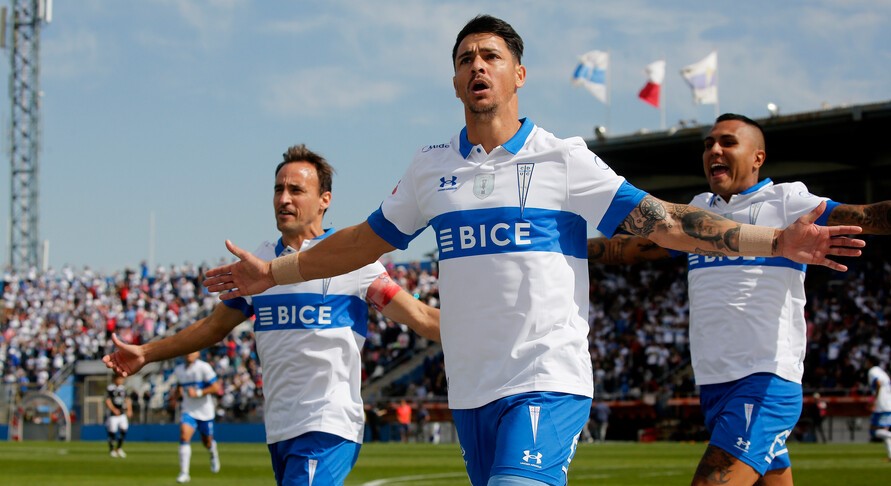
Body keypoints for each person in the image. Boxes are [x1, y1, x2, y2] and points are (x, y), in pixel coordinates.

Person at [201, 17, 864, 486]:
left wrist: (773, 239)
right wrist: (277, 271)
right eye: (464, 59)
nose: (476, 66)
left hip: (546, 380)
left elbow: (663, 222)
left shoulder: (563, 159)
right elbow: (363, 240)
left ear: (517, 73)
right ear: (455, 82)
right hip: (472, 389)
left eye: (489, 56)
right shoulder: (430, 169)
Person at [103, 144, 440, 485]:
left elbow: (420, 317)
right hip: (280, 427)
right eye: (279, 189)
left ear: (325, 199)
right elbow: (213, 327)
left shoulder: (352, 261)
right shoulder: (261, 264)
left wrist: (488, 335)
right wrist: (146, 353)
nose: (284, 199)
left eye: (296, 190)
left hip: (327, 424)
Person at [587, 113, 891, 485]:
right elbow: (632, 249)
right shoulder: (698, 211)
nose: (714, 149)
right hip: (715, 381)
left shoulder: (787, 201)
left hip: (764, 379)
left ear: (757, 158)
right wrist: (563, 246)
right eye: (708, 144)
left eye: (728, 142)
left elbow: (869, 216)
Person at [170, 350, 222, 483]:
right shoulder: (179, 370)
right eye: (187, 351)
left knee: (207, 441)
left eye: (192, 351)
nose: (189, 353)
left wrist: (198, 392)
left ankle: (212, 452)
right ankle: (184, 473)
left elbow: (216, 387)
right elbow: (179, 387)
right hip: (188, 410)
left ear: (198, 353)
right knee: (184, 436)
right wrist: (176, 396)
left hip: (205, 411)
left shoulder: (204, 367)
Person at [865, 355, 891, 462]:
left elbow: (878, 383)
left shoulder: (873, 371)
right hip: (888, 403)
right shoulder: (883, 372)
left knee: (874, 430)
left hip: (882, 405)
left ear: (870, 362)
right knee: (883, 432)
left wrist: (874, 400)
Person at [105, 374, 132, 458]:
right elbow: (108, 400)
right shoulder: (110, 388)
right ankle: (112, 449)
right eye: (119, 378)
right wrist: (113, 409)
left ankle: (119, 448)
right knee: (112, 431)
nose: (121, 380)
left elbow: (127, 399)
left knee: (124, 429)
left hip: (122, 413)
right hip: (113, 414)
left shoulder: (123, 389)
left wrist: (129, 409)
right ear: (115, 379)